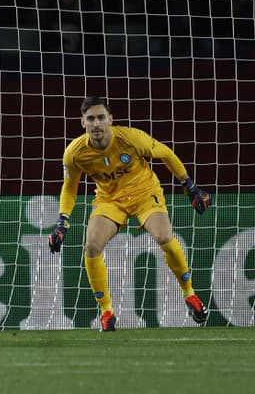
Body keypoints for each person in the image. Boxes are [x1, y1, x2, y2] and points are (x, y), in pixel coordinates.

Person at [48, 96, 211, 332]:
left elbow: (166, 153)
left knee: (164, 236)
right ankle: (106, 312)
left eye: (101, 118)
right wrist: (62, 221)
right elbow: (69, 187)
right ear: (83, 123)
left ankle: (190, 294)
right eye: (91, 118)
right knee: (92, 246)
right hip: (109, 200)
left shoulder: (131, 138)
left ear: (110, 120)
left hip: (144, 193)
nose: (96, 124)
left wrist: (190, 187)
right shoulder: (74, 153)